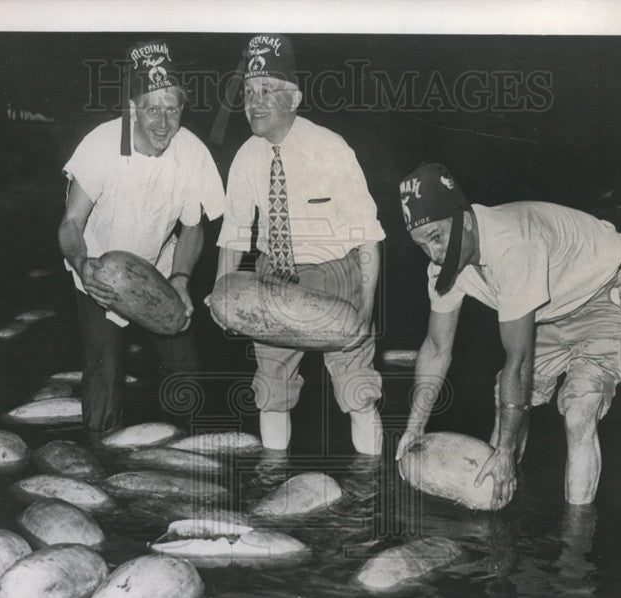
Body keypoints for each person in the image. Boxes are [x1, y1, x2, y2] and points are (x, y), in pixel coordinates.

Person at [395, 163, 621, 507]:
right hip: (553, 305)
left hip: (607, 291)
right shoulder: (445, 267)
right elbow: (437, 347)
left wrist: (503, 449)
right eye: (422, 244)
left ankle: (574, 547)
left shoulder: (512, 246)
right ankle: (498, 508)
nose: (433, 253)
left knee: (579, 411)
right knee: (509, 408)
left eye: (437, 237)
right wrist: (415, 426)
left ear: (465, 220)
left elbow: (518, 361)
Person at [212, 34, 385, 454]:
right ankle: (274, 482)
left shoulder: (331, 148)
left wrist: (364, 309)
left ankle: (371, 486)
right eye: (249, 92)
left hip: (335, 276)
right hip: (273, 278)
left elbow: (367, 237)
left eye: (266, 91)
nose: (254, 102)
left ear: (294, 98)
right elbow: (235, 233)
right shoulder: (245, 158)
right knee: (270, 392)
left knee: (357, 392)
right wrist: (220, 294)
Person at [58, 39, 224, 439]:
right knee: (105, 369)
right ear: (132, 108)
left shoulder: (193, 153)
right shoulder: (100, 145)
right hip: (99, 270)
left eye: (173, 109)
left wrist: (182, 278)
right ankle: (97, 449)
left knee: (184, 367)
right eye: (152, 108)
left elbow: (193, 227)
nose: (164, 122)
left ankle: (185, 449)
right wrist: (83, 266)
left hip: (159, 271)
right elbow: (70, 223)